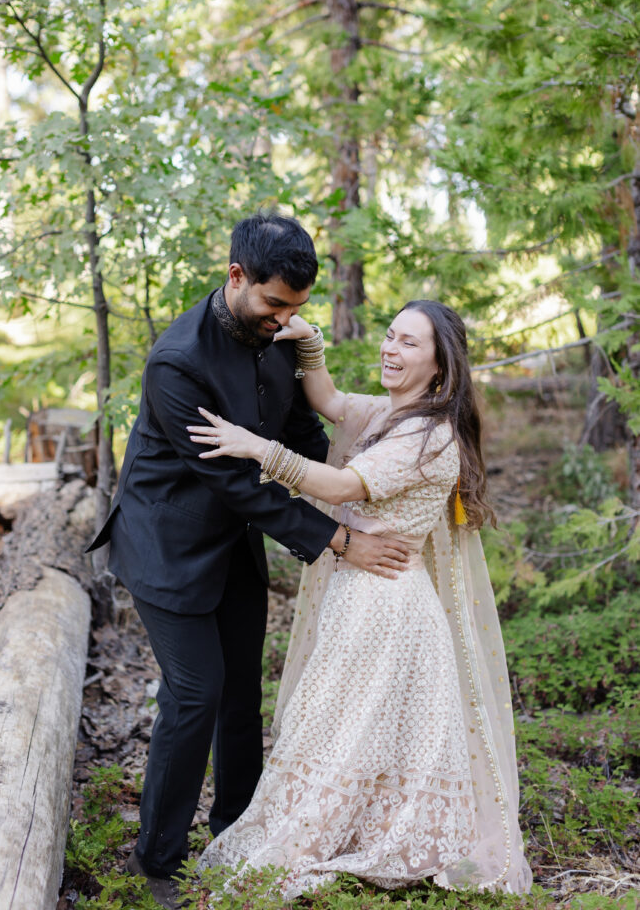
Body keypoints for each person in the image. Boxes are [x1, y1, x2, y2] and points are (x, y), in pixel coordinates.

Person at [86, 211, 409, 909]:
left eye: (296, 308)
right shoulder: (177, 362)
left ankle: (235, 830)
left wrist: (350, 480)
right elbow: (236, 482)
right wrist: (342, 544)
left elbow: (299, 435)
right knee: (195, 694)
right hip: (167, 544)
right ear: (236, 277)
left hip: (234, 541)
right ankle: (157, 864)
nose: (284, 319)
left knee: (240, 697)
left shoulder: (278, 339)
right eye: (273, 304)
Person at [189, 300, 532, 896]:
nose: (390, 351)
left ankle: (343, 841)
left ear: (441, 369)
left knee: (345, 725)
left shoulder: (427, 436)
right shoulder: (394, 412)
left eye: (408, 345)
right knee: (342, 724)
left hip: (388, 606)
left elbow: (345, 484)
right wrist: (309, 344)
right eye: (390, 337)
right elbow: (332, 404)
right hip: (363, 594)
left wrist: (256, 448)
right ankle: (345, 831)